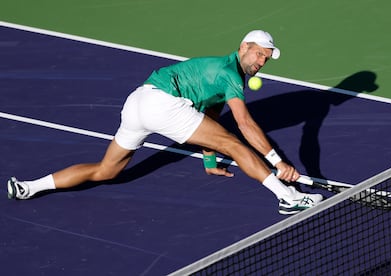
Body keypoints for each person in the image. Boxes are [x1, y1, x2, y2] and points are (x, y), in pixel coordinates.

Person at [7, 30, 322, 215]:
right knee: (235, 144)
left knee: (108, 170)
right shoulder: (230, 76)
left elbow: (210, 114)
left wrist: (209, 160)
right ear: (243, 48)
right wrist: (276, 161)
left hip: (138, 102)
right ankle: (288, 197)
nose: (261, 62)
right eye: (258, 55)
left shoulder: (218, 70)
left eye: (266, 58)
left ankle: (29, 187)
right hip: (163, 104)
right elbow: (243, 122)